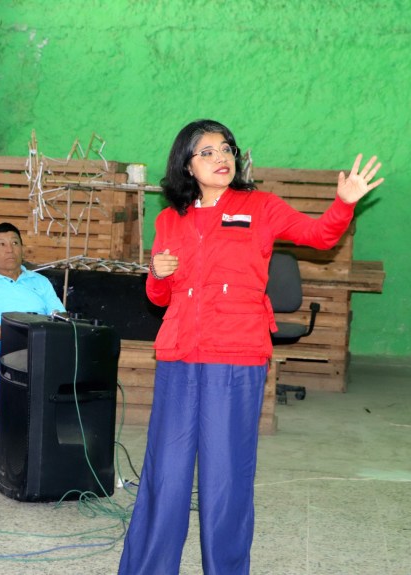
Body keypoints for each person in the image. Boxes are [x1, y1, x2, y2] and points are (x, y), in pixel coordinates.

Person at [117, 119, 383, 575]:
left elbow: (319, 237)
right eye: (207, 152)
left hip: (235, 357)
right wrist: (157, 275)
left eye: (227, 149)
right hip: (180, 355)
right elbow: (159, 299)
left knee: (225, 479)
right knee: (166, 473)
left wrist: (344, 204)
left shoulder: (260, 206)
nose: (221, 157)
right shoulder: (168, 219)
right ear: (186, 164)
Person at [0, 222, 65, 359]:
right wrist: (19, 339)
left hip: (44, 349)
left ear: (22, 250)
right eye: (2, 244)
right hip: (6, 353)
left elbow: (60, 317)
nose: (10, 249)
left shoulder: (41, 281)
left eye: (15, 243)